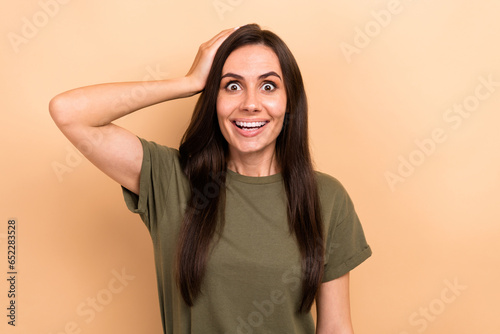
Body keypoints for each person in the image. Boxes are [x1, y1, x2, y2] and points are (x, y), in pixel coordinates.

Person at [49, 23, 372, 334]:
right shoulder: (170, 179)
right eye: (232, 85)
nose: (250, 104)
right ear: (212, 99)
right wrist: (188, 82)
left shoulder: (327, 198)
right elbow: (69, 112)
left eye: (268, 86)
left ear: (290, 102)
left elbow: (335, 327)